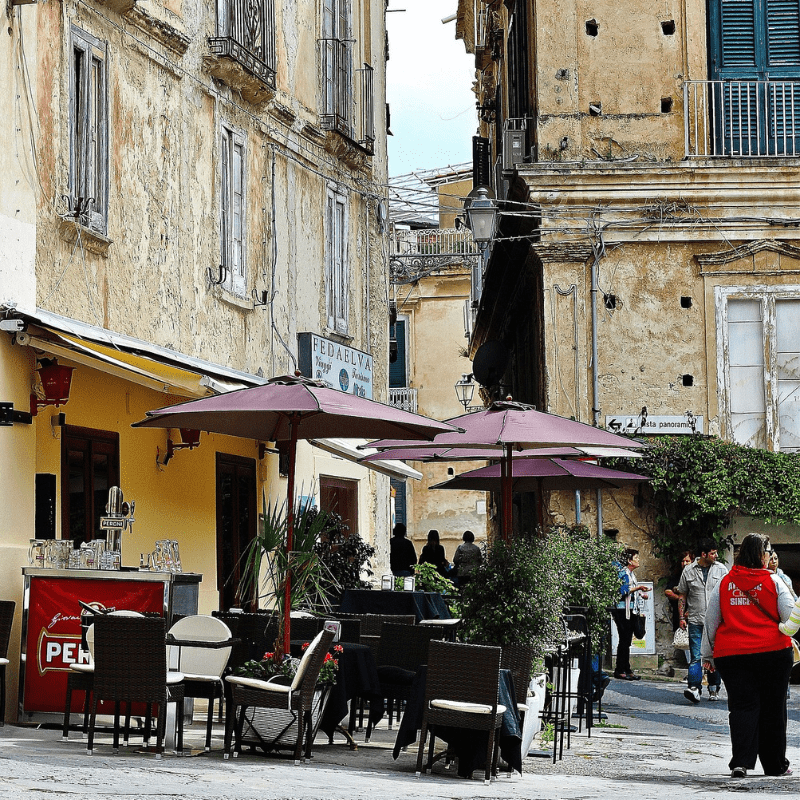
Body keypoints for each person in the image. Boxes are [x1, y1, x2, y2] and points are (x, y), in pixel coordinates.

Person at [701, 532, 794, 778]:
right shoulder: (774, 582)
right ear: (762, 555)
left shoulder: (725, 582)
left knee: (742, 707)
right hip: (773, 653)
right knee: (773, 708)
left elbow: (711, 621)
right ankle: (775, 765)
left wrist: (707, 656)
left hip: (733, 655)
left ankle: (741, 762)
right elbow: (789, 616)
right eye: (768, 552)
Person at [677, 538, 728, 703]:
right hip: (696, 620)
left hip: (716, 621)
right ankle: (694, 688)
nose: (716, 555)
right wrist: (681, 616)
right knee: (696, 656)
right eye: (713, 553)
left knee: (714, 655)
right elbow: (682, 595)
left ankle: (714, 687)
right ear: (703, 554)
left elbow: (727, 594)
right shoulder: (689, 571)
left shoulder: (721, 570)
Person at [611, 547, 649, 681]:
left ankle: (626, 668)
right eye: (636, 558)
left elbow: (631, 591)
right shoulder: (623, 573)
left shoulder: (631, 574)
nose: (638, 560)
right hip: (622, 610)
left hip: (630, 610)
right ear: (629, 560)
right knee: (624, 640)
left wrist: (641, 593)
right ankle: (620, 669)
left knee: (627, 641)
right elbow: (623, 591)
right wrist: (638, 588)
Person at [665, 550, 693, 667]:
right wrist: (679, 598)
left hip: (692, 612)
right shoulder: (677, 576)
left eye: (687, 560)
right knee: (684, 640)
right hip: (680, 613)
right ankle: (690, 664)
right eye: (683, 561)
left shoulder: (694, 575)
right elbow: (667, 590)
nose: (685, 563)